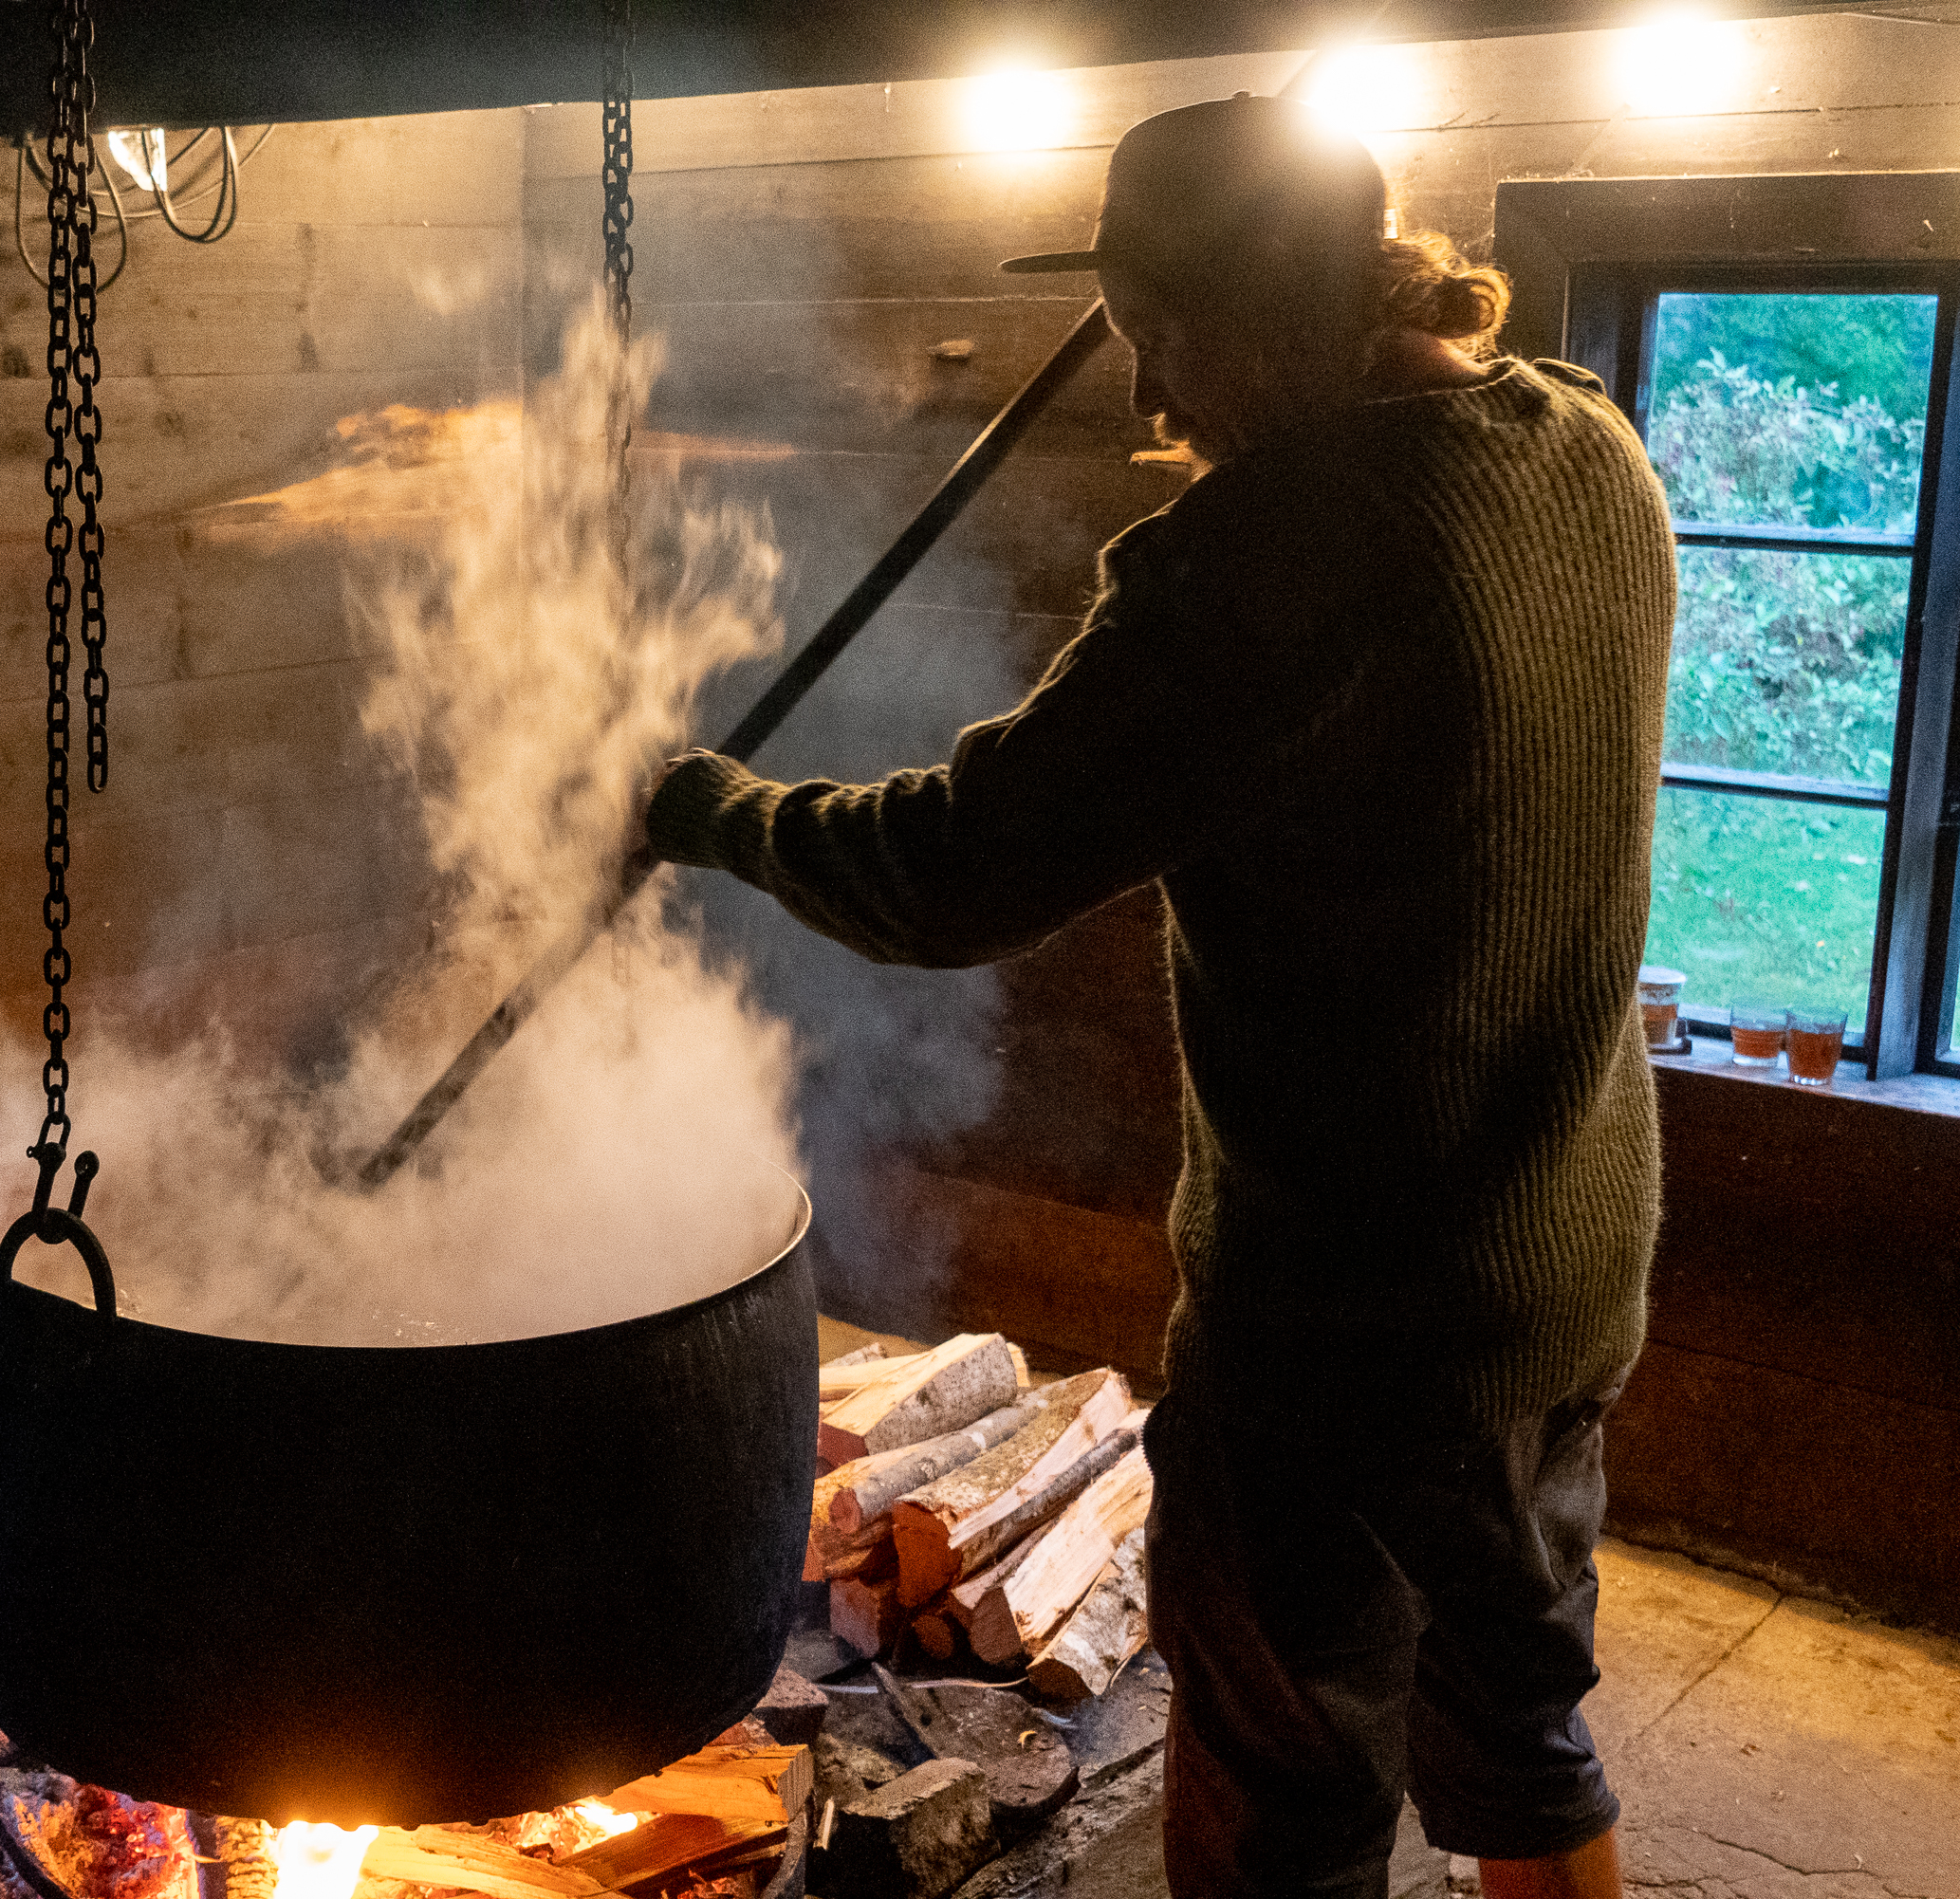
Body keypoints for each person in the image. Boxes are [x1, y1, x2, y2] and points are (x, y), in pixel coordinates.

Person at [639, 97, 1673, 1898]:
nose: (1147, 400)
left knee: (1282, 1783)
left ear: (1268, 315)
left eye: (1165, 339)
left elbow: (956, 865)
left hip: (1345, 1326)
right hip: (1561, 1261)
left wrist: (714, 810)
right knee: (1523, 1726)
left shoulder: (1267, 560)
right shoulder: (1589, 449)